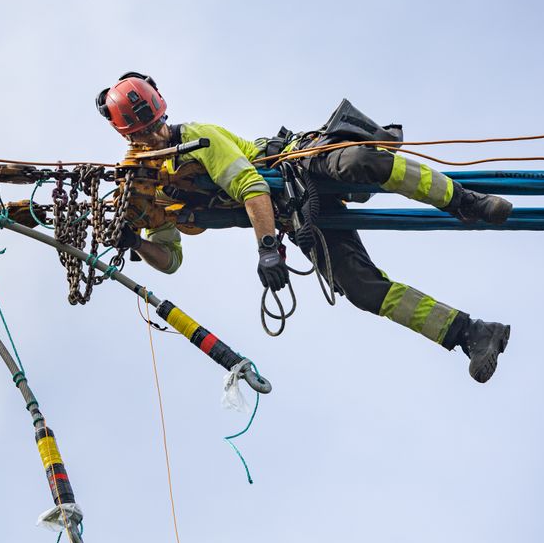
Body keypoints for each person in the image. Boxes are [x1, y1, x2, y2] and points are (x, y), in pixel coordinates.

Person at [95, 71, 512, 383]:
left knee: (358, 162)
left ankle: (466, 201)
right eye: (146, 131)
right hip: (295, 211)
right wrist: (135, 242)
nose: (157, 132)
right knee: (362, 290)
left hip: (295, 164)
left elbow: (251, 185)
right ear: (127, 133)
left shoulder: (198, 139)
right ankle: (472, 333)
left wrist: (268, 248)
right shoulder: (147, 185)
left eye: (158, 122)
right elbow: (170, 260)